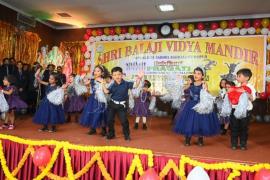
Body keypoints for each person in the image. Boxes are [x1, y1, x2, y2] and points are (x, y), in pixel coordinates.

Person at [173, 67, 220, 146]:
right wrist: (180, 82)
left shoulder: (204, 84)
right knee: (189, 122)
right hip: (190, 105)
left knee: (201, 122)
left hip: (201, 106)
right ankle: (187, 139)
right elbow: (182, 90)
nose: (196, 75)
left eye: (198, 74)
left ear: (202, 76)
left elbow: (207, 94)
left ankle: (200, 139)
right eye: (195, 73)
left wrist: (206, 89)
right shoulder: (190, 84)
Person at [102, 66, 144, 141]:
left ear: (122, 75)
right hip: (112, 104)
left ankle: (127, 135)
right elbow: (106, 92)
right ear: (112, 76)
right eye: (114, 75)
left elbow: (135, 85)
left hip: (122, 106)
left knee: (124, 121)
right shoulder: (112, 85)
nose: (117, 76)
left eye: (118, 74)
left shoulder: (126, 83)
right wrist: (103, 84)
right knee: (109, 120)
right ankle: (111, 134)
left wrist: (139, 78)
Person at [229, 68, 256, 150]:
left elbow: (252, 98)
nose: (237, 77)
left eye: (239, 76)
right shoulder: (236, 86)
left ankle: (243, 144)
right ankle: (234, 143)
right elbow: (232, 98)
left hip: (245, 111)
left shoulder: (250, 87)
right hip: (235, 110)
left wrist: (245, 92)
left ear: (247, 77)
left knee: (244, 128)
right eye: (237, 76)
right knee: (234, 127)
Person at [80, 65, 110, 136]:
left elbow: (105, 90)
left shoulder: (103, 80)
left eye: (98, 71)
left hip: (100, 100)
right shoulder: (92, 80)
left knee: (101, 114)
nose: (96, 72)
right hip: (92, 100)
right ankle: (93, 129)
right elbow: (83, 84)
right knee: (92, 113)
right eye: (95, 71)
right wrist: (82, 78)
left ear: (102, 73)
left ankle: (103, 129)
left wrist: (103, 84)